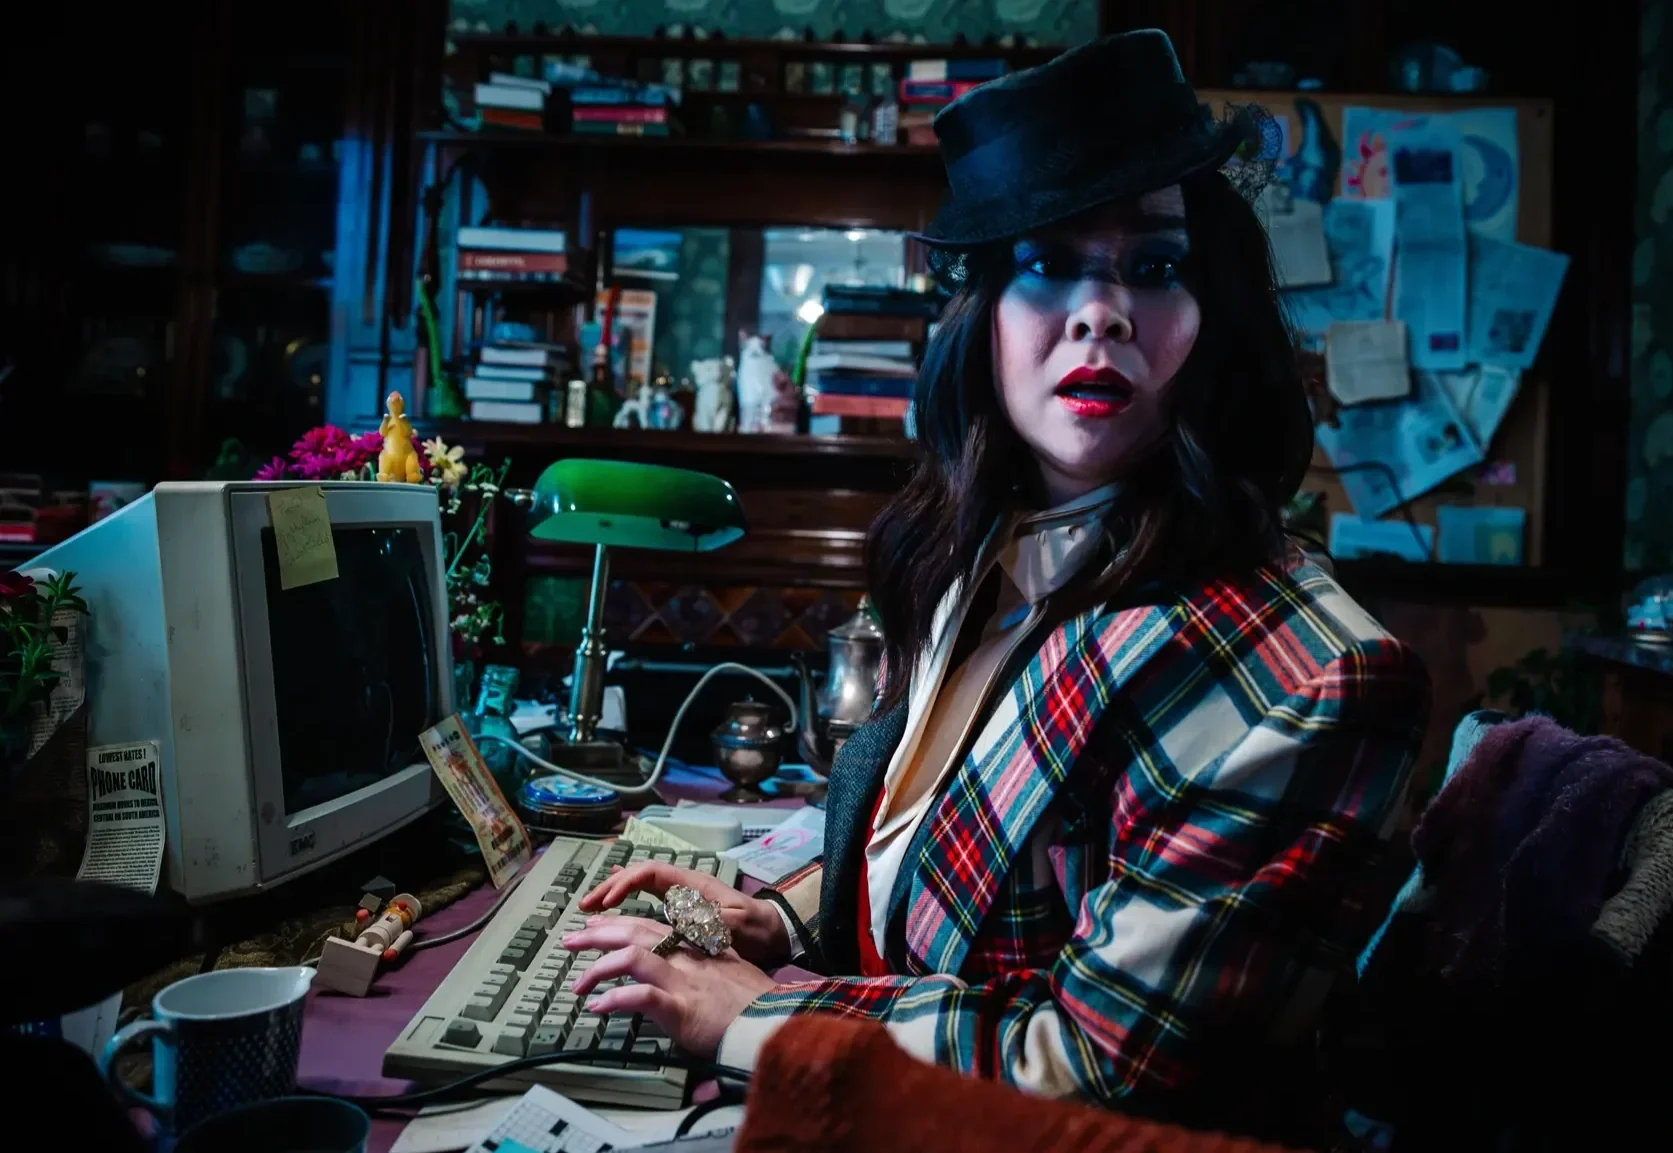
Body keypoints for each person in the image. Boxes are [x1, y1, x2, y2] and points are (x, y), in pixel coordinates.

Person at [562, 29, 1431, 1136]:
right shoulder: (980, 549)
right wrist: (774, 918)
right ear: (981, 318)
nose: (1101, 312)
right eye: (1048, 262)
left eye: (1156, 266)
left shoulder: (1317, 680)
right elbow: (945, 870)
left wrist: (762, 1012)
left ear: (1215, 314)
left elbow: (1097, 1070)